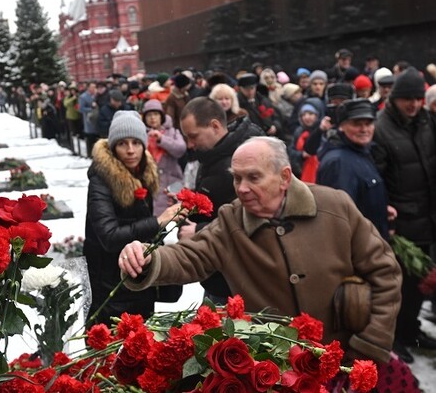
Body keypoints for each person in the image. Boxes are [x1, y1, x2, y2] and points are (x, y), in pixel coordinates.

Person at [119, 136, 402, 365]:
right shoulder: (232, 221)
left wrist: (370, 344)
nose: (241, 188)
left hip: (343, 361)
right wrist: (146, 257)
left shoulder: (335, 207)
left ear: (284, 177)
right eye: (237, 178)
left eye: (253, 177)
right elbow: (188, 256)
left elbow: (385, 273)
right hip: (276, 370)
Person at [84, 111, 181, 325]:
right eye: (123, 143)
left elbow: (140, 225)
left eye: (136, 143)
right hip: (110, 283)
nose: (130, 150)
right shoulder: (101, 181)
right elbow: (109, 237)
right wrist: (157, 221)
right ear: (112, 147)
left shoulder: (143, 172)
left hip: (136, 276)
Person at [373, 67, 436, 362]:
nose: (413, 104)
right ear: (395, 98)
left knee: (419, 282)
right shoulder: (382, 128)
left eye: (417, 98)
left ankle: (411, 328)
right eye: (407, 99)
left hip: (427, 215)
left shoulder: (425, 122)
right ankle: (396, 336)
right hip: (402, 221)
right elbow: (379, 177)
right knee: (398, 285)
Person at [178, 97, 263, 302]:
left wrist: (199, 230)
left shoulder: (242, 162)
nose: (190, 144)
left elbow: (255, 222)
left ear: (215, 126)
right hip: (218, 271)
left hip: (236, 281)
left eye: (193, 136)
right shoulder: (214, 154)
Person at [317, 99, 393, 240]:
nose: (364, 129)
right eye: (357, 124)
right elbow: (341, 217)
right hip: (361, 248)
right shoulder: (338, 163)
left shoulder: (362, 151)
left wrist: (381, 209)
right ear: (342, 127)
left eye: (368, 124)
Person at [141, 99, 186, 216]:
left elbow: (180, 149)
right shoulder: (141, 133)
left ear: (161, 116)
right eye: (149, 115)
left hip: (172, 183)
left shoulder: (172, 132)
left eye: (155, 114)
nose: (152, 118)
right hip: (149, 183)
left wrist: (162, 139)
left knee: (174, 219)